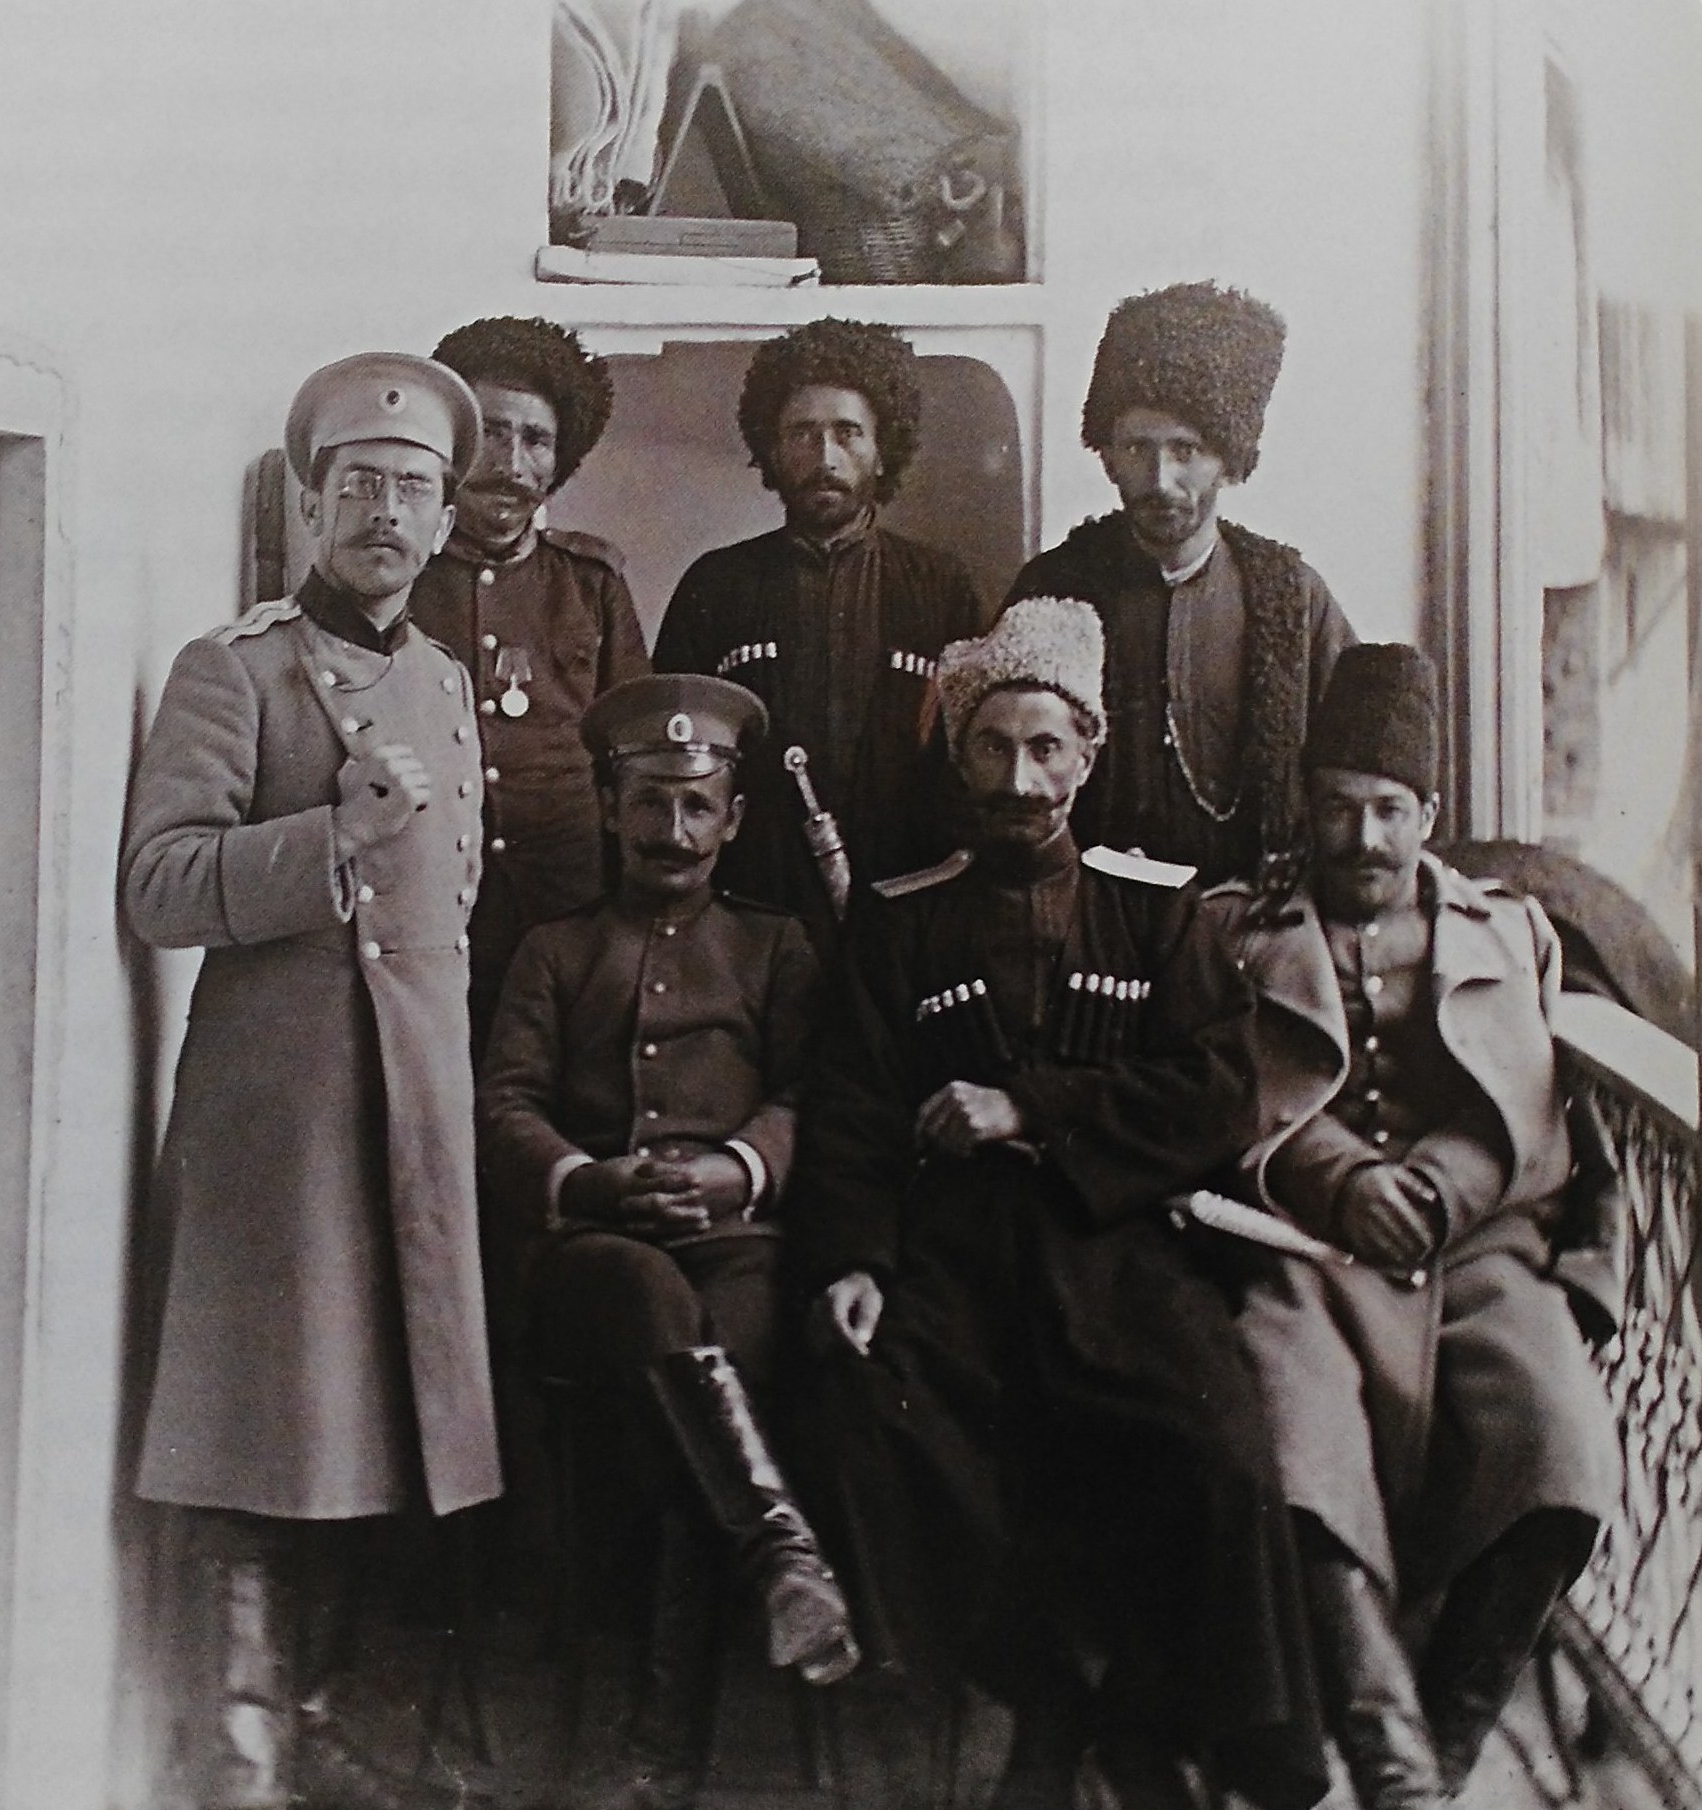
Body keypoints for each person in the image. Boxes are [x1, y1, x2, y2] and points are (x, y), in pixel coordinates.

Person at [787, 596, 1328, 1810]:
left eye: (1046, 748)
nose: (1019, 781)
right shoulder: (900, 916)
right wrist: (857, 1259)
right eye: (993, 747)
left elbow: (1217, 1092)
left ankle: (1190, 1722)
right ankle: (1044, 1689)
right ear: (959, 755)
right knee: (865, 1409)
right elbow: (854, 1109)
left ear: (1089, 754)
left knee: (1214, 1443)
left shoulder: (1156, 909)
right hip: (955, 1250)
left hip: (1118, 1241)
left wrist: (1031, 1106)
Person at [121, 352, 500, 1810]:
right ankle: (241, 1759)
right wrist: (328, 836)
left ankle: (327, 1735)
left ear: (445, 521)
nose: (386, 514)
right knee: (262, 1429)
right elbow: (162, 886)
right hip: (281, 1120)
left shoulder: (444, 682)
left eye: (413, 490)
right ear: (311, 502)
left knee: (387, 1432)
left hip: (412, 1113)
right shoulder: (237, 670)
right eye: (360, 486)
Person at [1204, 644, 1623, 1810]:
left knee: (1560, 1446)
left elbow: (1533, 1096)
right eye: (1339, 808)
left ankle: (1431, 1755)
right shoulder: (1234, 931)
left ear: (1429, 815)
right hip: (1304, 1249)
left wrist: (1437, 1187)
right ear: (1306, 806)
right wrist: (1338, 1177)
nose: (1364, 839)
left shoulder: (1511, 931)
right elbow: (1215, 1087)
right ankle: (1399, 1773)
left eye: (1390, 810)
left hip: (1478, 1246)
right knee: (1299, 1453)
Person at [477, 673, 856, 1810]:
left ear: (734, 818)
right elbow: (504, 1106)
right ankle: (778, 1548)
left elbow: (811, 1093)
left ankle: (660, 1759)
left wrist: (735, 1168)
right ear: (609, 808)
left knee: (706, 1375)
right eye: (649, 803)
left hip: (738, 1241)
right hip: (592, 1255)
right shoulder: (555, 951)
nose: (673, 831)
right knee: (654, 1310)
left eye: (697, 806)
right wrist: (591, 1181)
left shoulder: (776, 945)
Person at [1004, 281, 1356, 885]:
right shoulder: (1053, 588)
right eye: (1137, 447)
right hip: (1090, 912)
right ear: (1107, 455)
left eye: (1186, 450)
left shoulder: (1292, 597)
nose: (1160, 479)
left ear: (1229, 461)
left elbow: (1357, 769)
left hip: (1251, 908)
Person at [652, 317, 986, 931]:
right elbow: (671, 763)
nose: (825, 457)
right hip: (750, 912)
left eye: (847, 433)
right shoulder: (716, 586)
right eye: (802, 434)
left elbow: (973, 760)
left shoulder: (941, 588)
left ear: (882, 450)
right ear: (772, 451)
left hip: (910, 909)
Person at [410, 316, 650, 1050]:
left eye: (536, 440)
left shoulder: (592, 583)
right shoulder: (398, 581)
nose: (512, 464)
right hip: (430, 913)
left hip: (568, 912)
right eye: (491, 433)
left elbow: (635, 759)